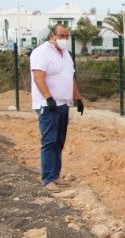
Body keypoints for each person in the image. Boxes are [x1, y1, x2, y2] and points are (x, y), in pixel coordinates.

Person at [30, 23, 84, 192]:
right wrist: (48, 98)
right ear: (52, 35)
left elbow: (70, 77)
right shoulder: (41, 52)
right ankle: (48, 179)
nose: (64, 39)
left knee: (59, 141)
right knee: (49, 141)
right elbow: (39, 77)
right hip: (48, 106)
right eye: (61, 36)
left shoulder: (65, 54)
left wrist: (78, 98)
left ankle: (55, 175)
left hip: (63, 104)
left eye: (67, 36)